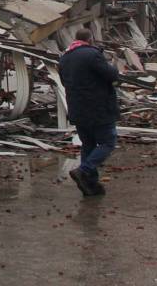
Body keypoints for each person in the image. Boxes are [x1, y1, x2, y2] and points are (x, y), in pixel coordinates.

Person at [59, 28, 119, 197]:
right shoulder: (92, 55)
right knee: (108, 142)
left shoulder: (65, 58)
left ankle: (91, 185)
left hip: (77, 109)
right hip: (98, 108)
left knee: (88, 145)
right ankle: (83, 170)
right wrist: (113, 65)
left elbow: (64, 82)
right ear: (90, 39)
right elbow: (111, 75)